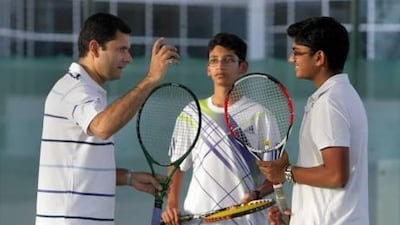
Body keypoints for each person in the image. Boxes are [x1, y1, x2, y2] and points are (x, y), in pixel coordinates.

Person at [35, 12, 179, 225]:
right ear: (94, 48)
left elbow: (77, 169)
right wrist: (150, 79)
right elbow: (103, 128)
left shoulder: (87, 91)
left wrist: (129, 178)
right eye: (121, 49)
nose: (128, 58)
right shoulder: (75, 89)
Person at [257, 16, 369, 225]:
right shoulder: (340, 95)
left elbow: (336, 175)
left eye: (297, 52)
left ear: (319, 58)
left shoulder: (330, 103)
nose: (292, 59)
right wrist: (297, 217)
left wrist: (286, 172)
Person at [161, 32, 275, 225]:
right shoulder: (191, 113)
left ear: (243, 67)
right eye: (214, 60)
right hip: (198, 218)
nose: (220, 66)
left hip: (245, 220)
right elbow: (177, 166)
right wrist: (171, 204)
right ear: (208, 69)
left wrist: (257, 193)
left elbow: (276, 174)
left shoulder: (260, 116)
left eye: (229, 60)